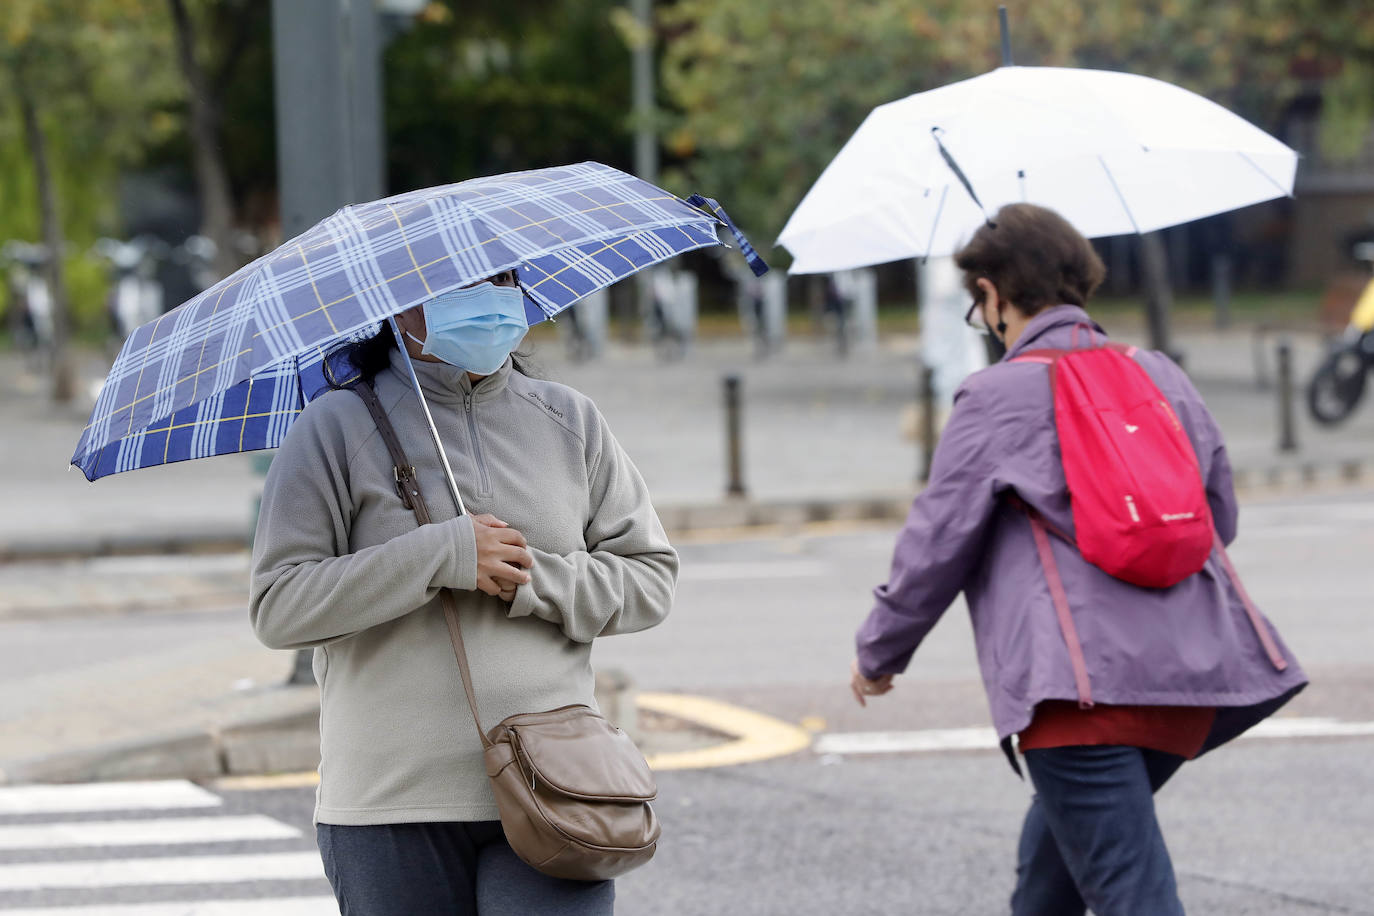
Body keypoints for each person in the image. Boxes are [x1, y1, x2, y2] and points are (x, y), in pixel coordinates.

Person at [848, 204, 1307, 916]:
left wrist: (878, 652)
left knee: (1134, 895)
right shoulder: (1158, 373)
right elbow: (1219, 514)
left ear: (994, 294)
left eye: (980, 303)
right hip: (1186, 680)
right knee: (1048, 888)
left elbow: (936, 542)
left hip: (1076, 693)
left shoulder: (995, 395)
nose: (983, 318)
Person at [250, 268, 678, 915]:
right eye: (459, 279)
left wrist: (533, 576)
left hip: (557, 783)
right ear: (400, 302)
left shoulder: (570, 420)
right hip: (390, 800)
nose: (489, 296)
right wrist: (439, 555)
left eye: (502, 278)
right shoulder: (333, 428)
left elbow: (649, 577)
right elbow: (279, 606)